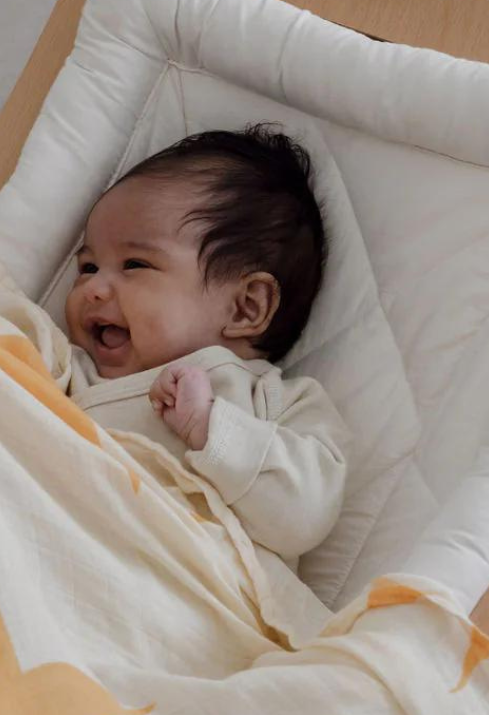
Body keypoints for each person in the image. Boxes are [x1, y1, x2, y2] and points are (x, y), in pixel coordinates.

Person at [63, 123, 349, 569]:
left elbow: (305, 519)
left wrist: (213, 428)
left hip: (186, 585)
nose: (94, 289)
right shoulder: (72, 370)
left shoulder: (274, 403)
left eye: (134, 264)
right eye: (87, 266)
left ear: (245, 308)